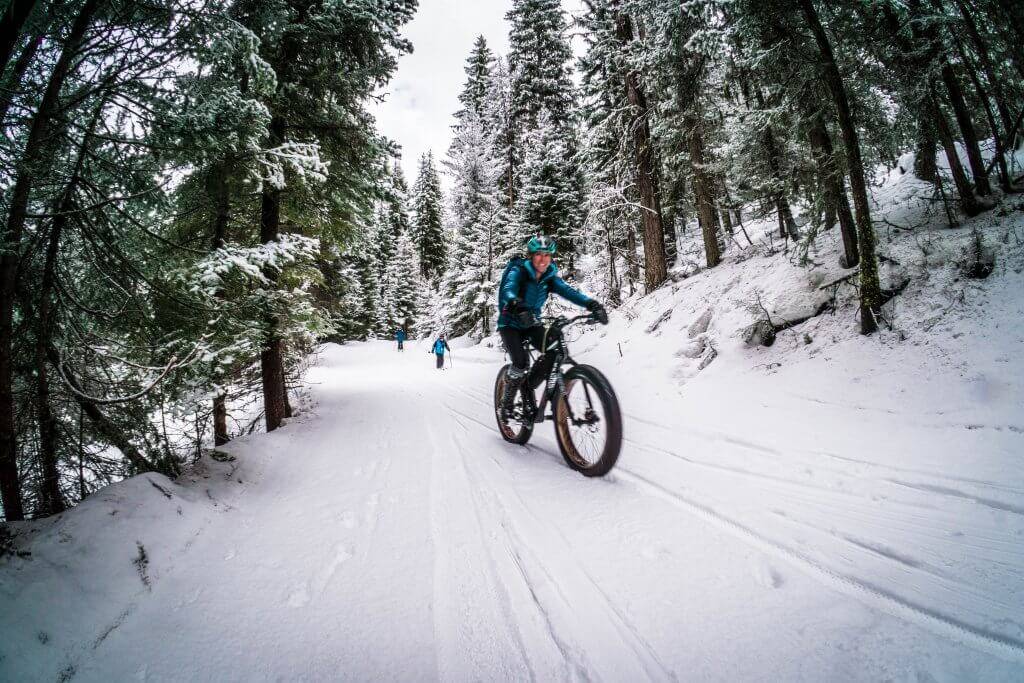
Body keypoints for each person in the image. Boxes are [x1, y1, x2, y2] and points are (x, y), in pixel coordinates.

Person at [497, 235, 607, 421]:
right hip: (510, 324)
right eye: (539, 254)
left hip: (532, 323)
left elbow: (569, 292)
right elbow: (508, 288)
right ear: (531, 256)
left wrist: (592, 305)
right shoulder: (519, 271)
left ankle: (528, 384)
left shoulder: (549, 278)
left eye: (547, 255)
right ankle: (506, 404)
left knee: (554, 348)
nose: (543, 259)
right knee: (520, 362)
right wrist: (516, 303)